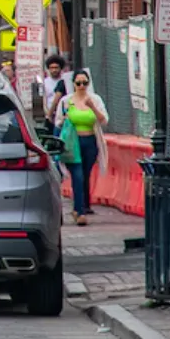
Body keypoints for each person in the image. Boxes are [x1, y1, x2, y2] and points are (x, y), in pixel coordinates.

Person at [55, 70, 109, 227]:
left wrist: (92, 106)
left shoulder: (95, 100)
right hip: (73, 142)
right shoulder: (66, 101)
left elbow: (104, 120)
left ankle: (81, 206)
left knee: (85, 174)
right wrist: (64, 120)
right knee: (77, 176)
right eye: (78, 83)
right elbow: (58, 122)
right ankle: (80, 212)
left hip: (90, 141)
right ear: (73, 84)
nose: (81, 86)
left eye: (85, 83)